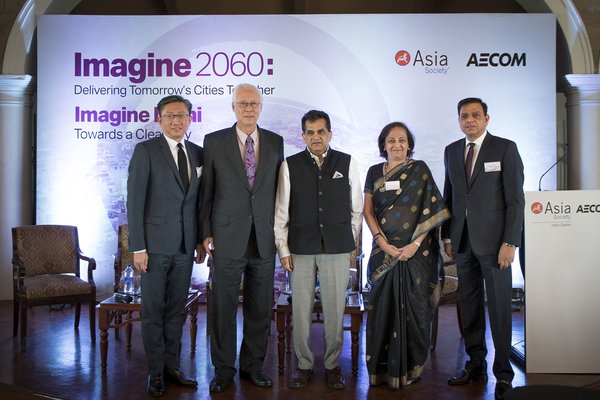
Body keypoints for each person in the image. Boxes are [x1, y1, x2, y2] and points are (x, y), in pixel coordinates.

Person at [200, 83, 284, 393]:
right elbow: (207, 191)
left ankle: (252, 366)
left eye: (254, 103)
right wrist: (205, 231)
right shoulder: (214, 141)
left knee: (260, 307)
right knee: (222, 307)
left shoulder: (276, 142)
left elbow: (279, 194)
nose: (248, 108)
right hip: (226, 236)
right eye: (242, 103)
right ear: (233, 107)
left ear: (261, 107)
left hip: (263, 237)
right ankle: (223, 369)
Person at [274, 110, 363, 390]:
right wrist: (283, 248)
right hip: (300, 247)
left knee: (336, 308)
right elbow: (281, 211)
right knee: (300, 307)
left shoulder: (347, 163)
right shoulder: (289, 165)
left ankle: (333, 365)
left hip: (336, 247)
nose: (316, 137)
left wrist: (348, 239)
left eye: (321, 131)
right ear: (303, 136)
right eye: (310, 132)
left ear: (330, 134)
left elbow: (356, 207)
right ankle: (303, 365)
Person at [442, 97, 524, 400]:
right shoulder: (452, 151)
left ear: (487, 119)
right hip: (463, 243)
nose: (469, 120)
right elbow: (449, 197)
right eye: (464, 115)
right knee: (471, 309)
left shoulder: (505, 148)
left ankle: (503, 375)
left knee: (501, 311)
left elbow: (516, 200)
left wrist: (510, 242)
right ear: (459, 119)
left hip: (496, 246)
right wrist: (448, 238)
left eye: (476, 115)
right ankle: (475, 364)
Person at [127, 95, 206, 397]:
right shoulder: (145, 151)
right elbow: (134, 202)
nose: (176, 121)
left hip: (186, 247)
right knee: (153, 312)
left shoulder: (198, 154)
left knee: (176, 311)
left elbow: (198, 202)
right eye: (170, 115)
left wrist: (199, 239)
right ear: (159, 119)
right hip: (154, 248)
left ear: (190, 119)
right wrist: (138, 248)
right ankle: (156, 372)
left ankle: (172, 368)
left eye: (182, 115)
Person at [363, 122, 450, 390]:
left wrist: (414, 245)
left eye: (402, 140)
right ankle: (380, 369)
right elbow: (368, 212)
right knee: (381, 309)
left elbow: (432, 209)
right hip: (383, 252)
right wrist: (383, 243)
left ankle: (411, 367)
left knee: (415, 308)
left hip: (417, 254)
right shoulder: (373, 172)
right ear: (383, 144)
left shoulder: (419, 170)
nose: (397, 145)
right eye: (391, 141)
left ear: (409, 144)